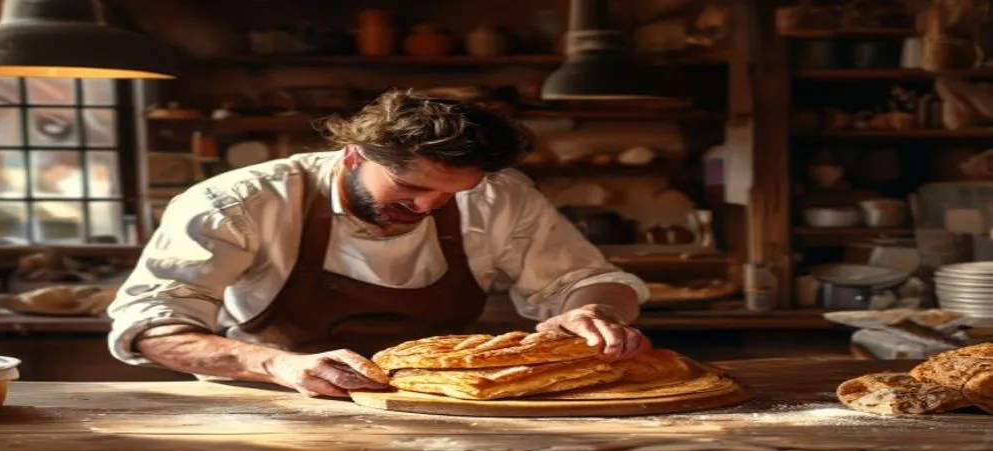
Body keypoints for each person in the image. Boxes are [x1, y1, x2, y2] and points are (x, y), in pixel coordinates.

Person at [107, 90, 651, 398]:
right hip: (271, 404)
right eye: (411, 189)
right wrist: (278, 366)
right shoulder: (241, 201)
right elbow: (150, 327)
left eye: (451, 194)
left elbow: (584, 281)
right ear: (353, 157)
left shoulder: (501, 197)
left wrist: (594, 311)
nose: (427, 209)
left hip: (441, 408)